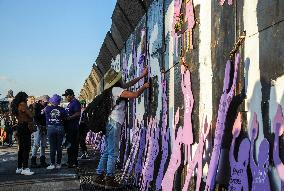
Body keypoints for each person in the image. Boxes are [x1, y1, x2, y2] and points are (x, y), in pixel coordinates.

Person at [94, 67, 149, 189]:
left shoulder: (112, 89)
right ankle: (109, 178)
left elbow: (128, 84)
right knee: (113, 152)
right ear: (117, 80)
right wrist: (144, 86)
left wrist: (141, 76)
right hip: (114, 123)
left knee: (108, 150)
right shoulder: (116, 90)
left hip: (110, 123)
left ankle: (99, 175)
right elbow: (134, 94)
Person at [11, 92, 34, 175]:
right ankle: (25, 168)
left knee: (21, 149)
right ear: (23, 98)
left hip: (20, 127)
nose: (27, 99)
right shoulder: (23, 104)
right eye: (26, 97)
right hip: (25, 127)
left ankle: (19, 167)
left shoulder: (17, 105)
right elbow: (31, 115)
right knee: (26, 148)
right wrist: (32, 108)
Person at [43, 94, 67, 169]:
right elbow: (66, 117)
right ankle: (59, 163)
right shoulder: (62, 109)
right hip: (60, 127)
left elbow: (40, 114)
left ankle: (52, 164)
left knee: (52, 147)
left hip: (50, 128)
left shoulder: (47, 108)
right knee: (59, 147)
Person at [62, 89, 81, 167]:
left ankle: (73, 162)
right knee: (69, 145)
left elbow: (78, 113)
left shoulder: (75, 102)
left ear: (70, 95)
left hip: (73, 128)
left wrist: (69, 118)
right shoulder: (70, 103)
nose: (66, 98)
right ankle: (70, 161)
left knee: (72, 145)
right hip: (70, 127)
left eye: (66, 96)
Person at [30, 95, 49, 168]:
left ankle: (42, 160)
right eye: (45, 102)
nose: (46, 104)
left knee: (43, 144)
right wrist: (42, 112)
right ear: (41, 101)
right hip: (38, 126)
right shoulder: (36, 106)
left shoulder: (45, 106)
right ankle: (33, 161)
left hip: (44, 126)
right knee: (36, 144)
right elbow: (35, 116)